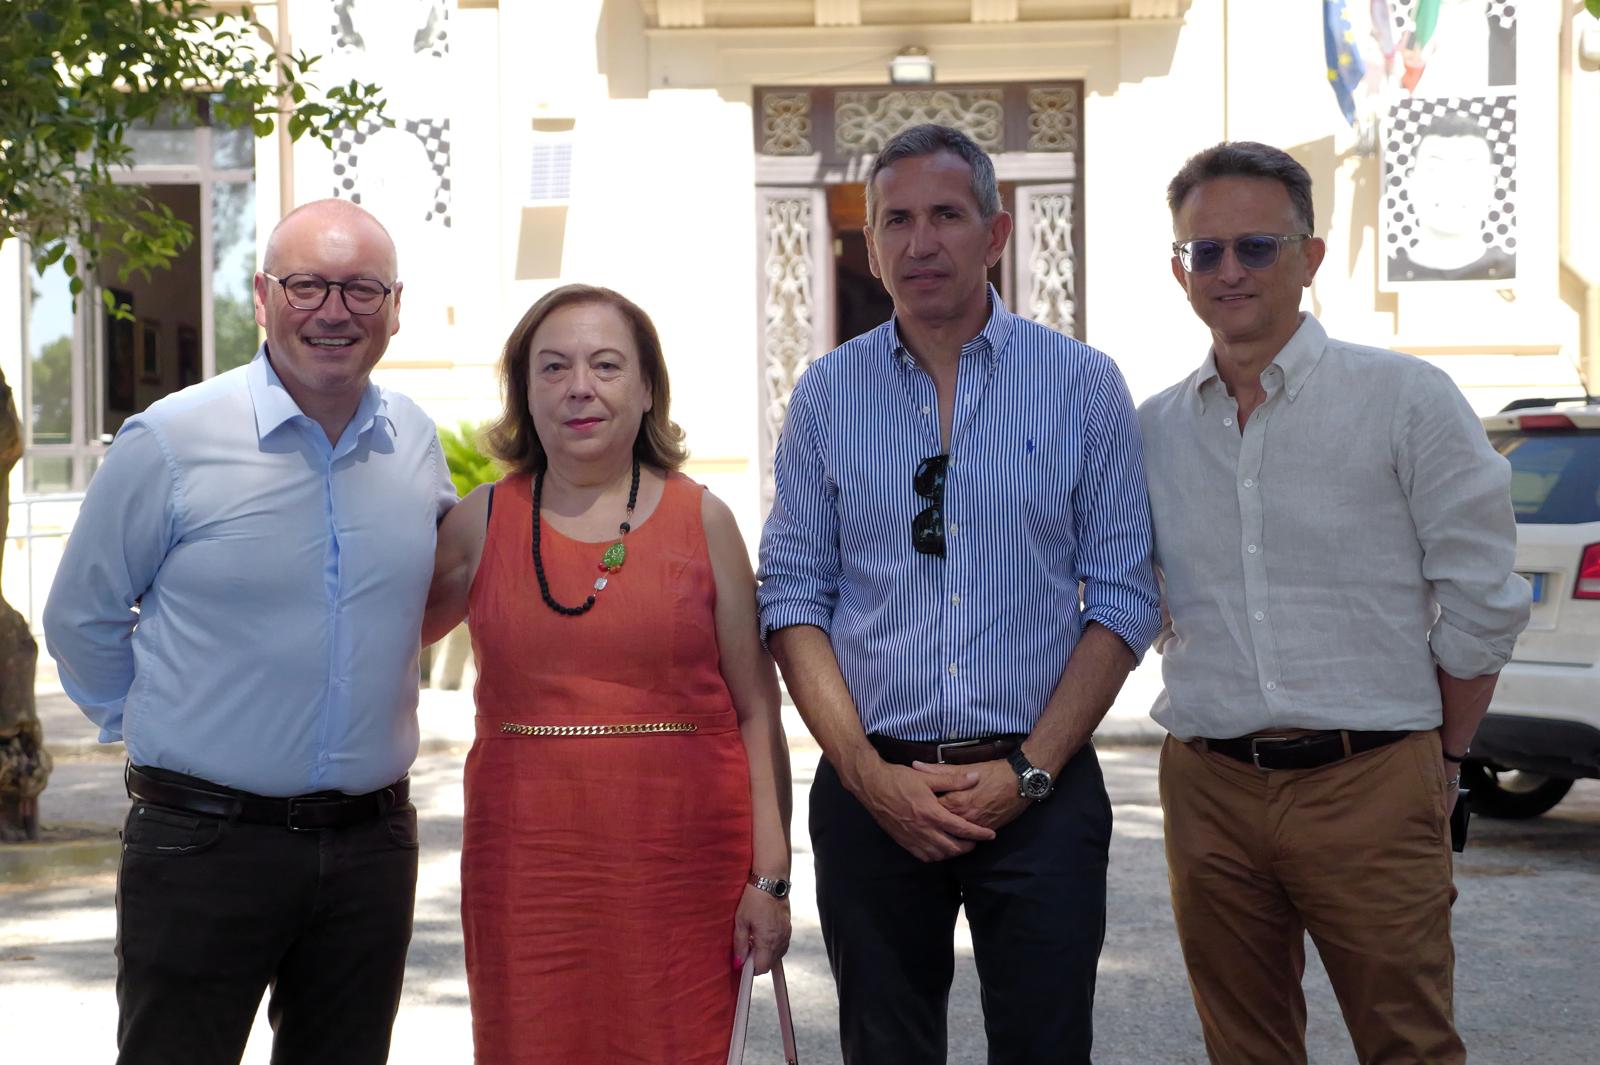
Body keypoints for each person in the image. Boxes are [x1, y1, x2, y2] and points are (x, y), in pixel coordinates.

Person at [757, 123, 1160, 1064]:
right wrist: (864, 773)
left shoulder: (1082, 386)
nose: (920, 241)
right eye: (895, 220)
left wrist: (1029, 772)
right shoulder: (824, 394)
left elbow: (1124, 595)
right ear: (869, 246)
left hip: (1041, 790)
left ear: (998, 232)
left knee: (1046, 1046)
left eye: (946, 214)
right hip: (875, 792)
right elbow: (793, 597)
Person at [1142, 141, 1531, 1065]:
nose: (1230, 270)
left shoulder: (1405, 400)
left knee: (1408, 1045)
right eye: (1207, 252)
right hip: (1209, 786)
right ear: (1179, 271)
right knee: (1245, 1051)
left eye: (1257, 247)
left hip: (1370, 779)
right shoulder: (1150, 428)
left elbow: (1483, 600)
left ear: (1310, 256)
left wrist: (1442, 757)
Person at [43, 198, 454, 1065]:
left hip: (370, 850)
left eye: (360, 289)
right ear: (263, 297)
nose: (333, 310)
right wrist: (161, 729)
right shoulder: (172, 439)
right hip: (201, 845)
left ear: (394, 306)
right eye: (306, 285)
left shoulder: (413, 442)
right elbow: (82, 615)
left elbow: (424, 597)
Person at [424, 283, 792, 1064]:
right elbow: (369, 643)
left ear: (647, 385)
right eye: (552, 367)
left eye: (606, 364)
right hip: (526, 871)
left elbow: (757, 710)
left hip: (683, 875)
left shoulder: (706, 521)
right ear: (525, 391)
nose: (579, 387)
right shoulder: (477, 522)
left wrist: (773, 876)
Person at [1387, 111, 1514, 283]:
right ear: (1411, 183)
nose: (1452, 184)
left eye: (1469, 170)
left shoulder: (1511, 270)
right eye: (1435, 169)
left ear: (1492, 184)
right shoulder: (1392, 274)